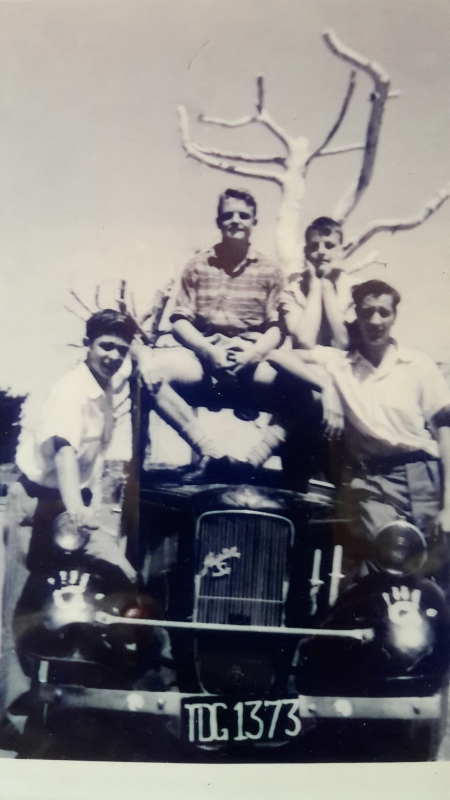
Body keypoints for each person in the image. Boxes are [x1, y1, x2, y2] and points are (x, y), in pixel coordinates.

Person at [269, 279, 450, 555]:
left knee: (432, 562)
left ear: (394, 316)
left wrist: (448, 505)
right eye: (367, 312)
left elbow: (445, 434)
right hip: (372, 479)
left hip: (422, 473)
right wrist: (327, 386)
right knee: (390, 556)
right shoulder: (339, 364)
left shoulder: (418, 366)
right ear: (357, 315)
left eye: (384, 312)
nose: (375, 321)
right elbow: (277, 355)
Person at [135, 188, 285, 479]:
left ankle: (250, 465)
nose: (236, 221)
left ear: (254, 222)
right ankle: (209, 455)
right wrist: (209, 351)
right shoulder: (198, 266)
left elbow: (277, 328)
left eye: (244, 216)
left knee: (305, 389)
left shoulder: (270, 270)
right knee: (148, 375)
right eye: (228, 215)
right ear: (218, 222)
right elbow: (179, 321)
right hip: (203, 360)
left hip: (252, 362)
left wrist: (254, 354)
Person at [15, 308, 138, 579]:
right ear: (87, 345)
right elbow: (64, 452)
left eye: (122, 350)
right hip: (38, 502)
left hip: (73, 502)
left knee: (123, 577)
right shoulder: (70, 390)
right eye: (106, 346)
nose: (114, 356)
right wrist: (76, 511)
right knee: (30, 594)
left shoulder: (107, 388)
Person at [281, 216, 352, 350]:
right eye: (314, 246)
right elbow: (305, 341)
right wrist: (315, 286)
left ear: (341, 251)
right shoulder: (292, 291)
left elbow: (342, 343)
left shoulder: (354, 289)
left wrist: (327, 285)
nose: (321, 251)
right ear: (305, 252)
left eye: (329, 246)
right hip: (304, 360)